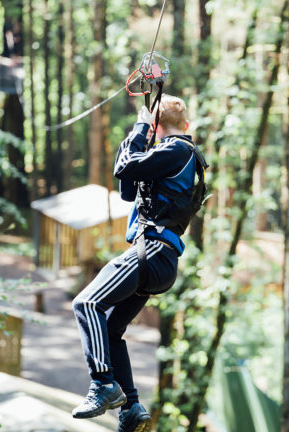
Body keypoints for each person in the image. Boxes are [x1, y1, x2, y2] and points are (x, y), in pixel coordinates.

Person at [71, 94, 205, 432]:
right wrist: (140, 134)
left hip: (152, 251)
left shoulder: (176, 150)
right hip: (160, 261)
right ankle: (130, 406)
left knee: (86, 303)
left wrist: (140, 129)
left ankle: (103, 383)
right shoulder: (172, 156)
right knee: (112, 330)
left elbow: (125, 167)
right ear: (185, 124)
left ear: (158, 127)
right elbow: (128, 187)